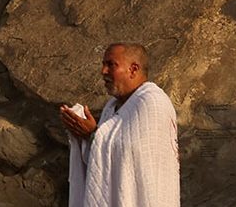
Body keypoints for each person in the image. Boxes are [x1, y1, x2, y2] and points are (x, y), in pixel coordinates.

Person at [61, 43, 181, 207]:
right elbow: (103, 165)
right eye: (103, 65)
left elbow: (137, 158)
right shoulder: (111, 108)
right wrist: (83, 136)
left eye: (111, 65)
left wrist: (92, 134)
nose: (103, 71)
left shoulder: (153, 102)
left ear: (133, 69)